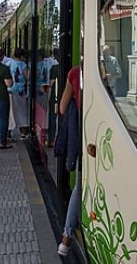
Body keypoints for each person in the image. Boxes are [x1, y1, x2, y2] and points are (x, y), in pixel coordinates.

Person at [57, 66, 82, 256]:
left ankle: (67, 237)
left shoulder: (74, 73)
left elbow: (62, 108)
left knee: (80, 185)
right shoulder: (106, 68)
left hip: (81, 133)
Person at [9, 48, 29, 139]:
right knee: (22, 111)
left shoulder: (10, 63)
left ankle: (10, 131)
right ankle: (23, 132)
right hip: (20, 91)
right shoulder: (23, 64)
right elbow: (27, 76)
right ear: (21, 56)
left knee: (12, 112)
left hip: (11, 90)